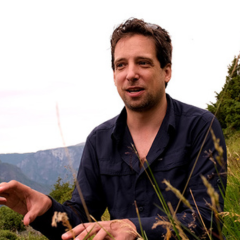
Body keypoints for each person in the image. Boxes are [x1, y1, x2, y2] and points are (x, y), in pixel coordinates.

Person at [0, 18, 227, 240]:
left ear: (166, 71)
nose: (130, 74)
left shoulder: (201, 127)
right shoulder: (99, 140)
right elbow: (79, 221)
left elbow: (207, 220)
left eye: (143, 62)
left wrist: (134, 228)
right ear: (114, 75)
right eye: (121, 65)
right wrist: (46, 209)